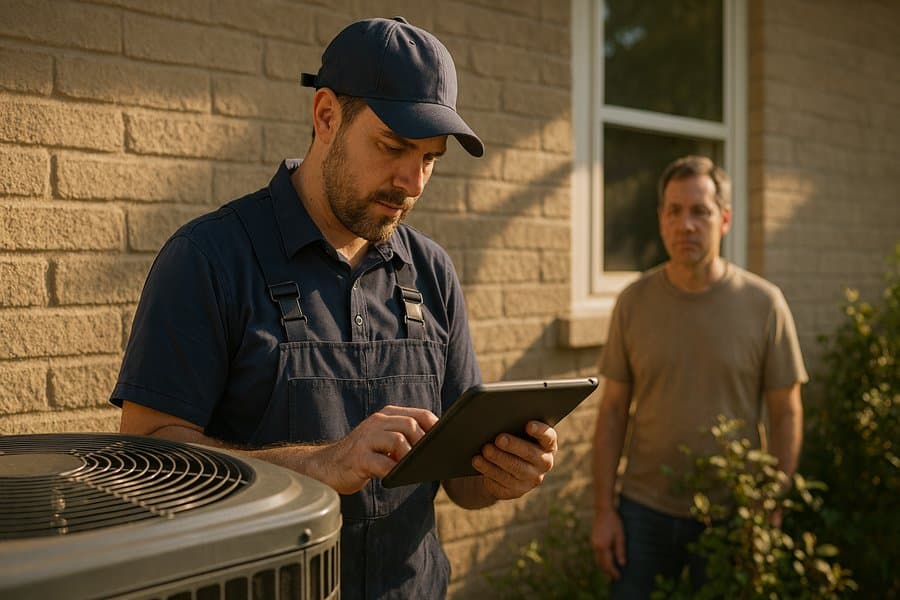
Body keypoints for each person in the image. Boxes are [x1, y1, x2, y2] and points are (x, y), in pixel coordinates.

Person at [111, 17, 558, 599]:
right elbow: (147, 458)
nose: (413, 181)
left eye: (430, 158)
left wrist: (502, 474)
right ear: (325, 116)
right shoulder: (208, 258)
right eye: (393, 146)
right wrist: (320, 465)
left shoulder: (432, 273)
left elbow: (460, 482)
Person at [590, 156, 807, 598]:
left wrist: (771, 503)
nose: (686, 224)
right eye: (674, 211)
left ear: (724, 219)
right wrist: (603, 511)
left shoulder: (765, 304)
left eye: (700, 211)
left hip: (730, 514)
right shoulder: (633, 302)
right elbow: (612, 411)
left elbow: (786, 413)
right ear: (660, 219)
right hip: (642, 512)